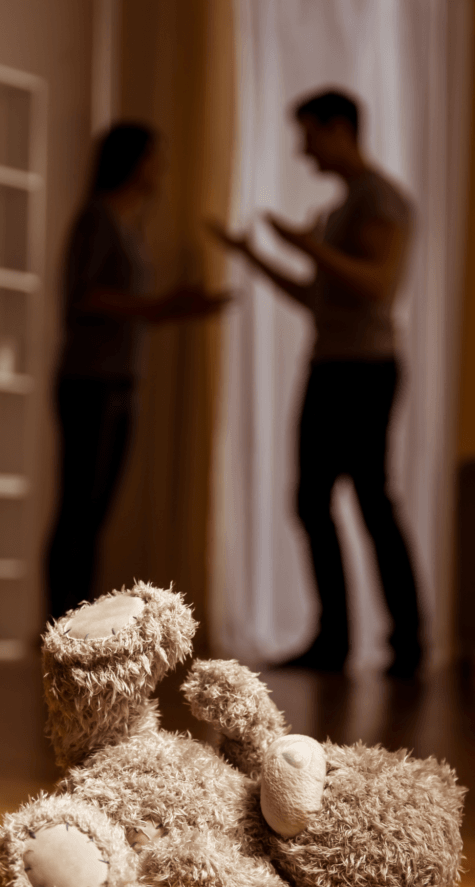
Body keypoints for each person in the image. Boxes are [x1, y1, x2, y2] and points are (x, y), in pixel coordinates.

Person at [207, 89, 422, 680]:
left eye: (308, 134)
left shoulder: (380, 199)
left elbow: (376, 284)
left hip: (365, 369)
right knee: (313, 501)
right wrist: (254, 257)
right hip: (332, 364)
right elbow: (317, 298)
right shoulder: (341, 208)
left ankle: (409, 643)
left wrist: (306, 245)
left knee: (372, 501)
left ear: (338, 129)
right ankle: (334, 641)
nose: (303, 150)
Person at [47, 122, 232, 621]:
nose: (161, 169)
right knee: (80, 507)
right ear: (131, 161)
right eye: (154, 157)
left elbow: (138, 310)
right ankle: (62, 619)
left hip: (121, 382)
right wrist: (157, 305)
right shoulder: (97, 220)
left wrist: (179, 309)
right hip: (90, 381)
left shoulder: (130, 227)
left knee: (97, 510)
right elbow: (84, 296)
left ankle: (75, 618)